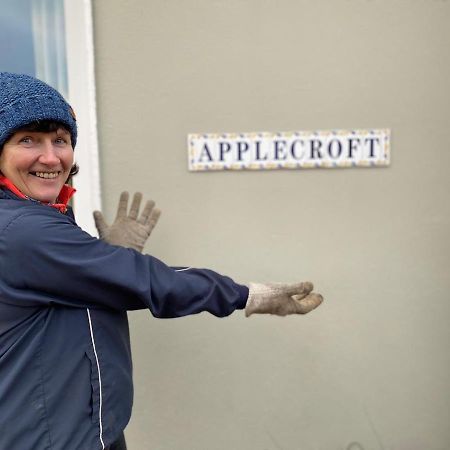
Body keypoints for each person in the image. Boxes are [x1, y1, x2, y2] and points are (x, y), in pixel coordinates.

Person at [0, 72, 323, 450]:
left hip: (79, 431)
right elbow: (149, 281)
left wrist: (106, 260)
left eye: (60, 140)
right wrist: (245, 294)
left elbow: (87, 292)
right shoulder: (23, 230)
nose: (51, 156)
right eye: (28, 140)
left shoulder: (38, 220)